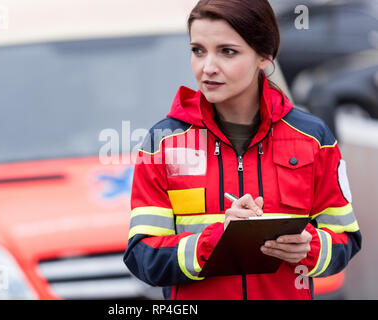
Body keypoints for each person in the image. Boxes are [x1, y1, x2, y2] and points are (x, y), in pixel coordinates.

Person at [123, 0, 361, 300]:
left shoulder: (313, 138)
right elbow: (143, 259)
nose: (208, 67)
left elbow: (346, 240)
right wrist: (213, 242)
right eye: (198, 50)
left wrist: (310, 247)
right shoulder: (162, 142)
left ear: (264, 55)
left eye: (227, 51)